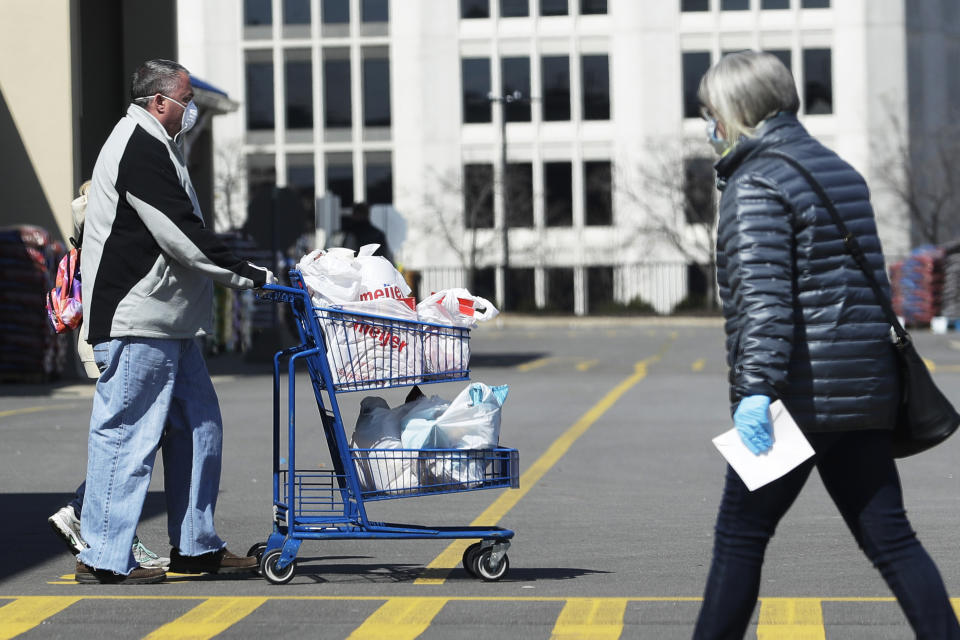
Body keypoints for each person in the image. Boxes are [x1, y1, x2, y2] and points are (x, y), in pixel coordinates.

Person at [692, 51, 960, 639]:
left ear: (736, 111)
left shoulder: (755, 182)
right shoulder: (835, 168)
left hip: (797, 398)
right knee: (892, 539)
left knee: (739, 538)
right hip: (864, 392)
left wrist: (756, 390)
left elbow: (764, 301)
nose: (707, 125)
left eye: (710, 111)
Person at [74, 59, 275, 585]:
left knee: (199, 428)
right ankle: (102, 555)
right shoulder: (138, 146)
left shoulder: (159, 146)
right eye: (186, 101)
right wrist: (249, 273)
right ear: (159, 102)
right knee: (127, 438)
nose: (191, 112)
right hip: (137, 320)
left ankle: (196, 547)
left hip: (170, 323)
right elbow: (180, 236)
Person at [47, 182, 168, 570]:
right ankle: (87, 516)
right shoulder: (97, 213)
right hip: (108, 337)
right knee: (125, 440)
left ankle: (95, 520)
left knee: (124, 437)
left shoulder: (93, 217)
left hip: (99, 338)